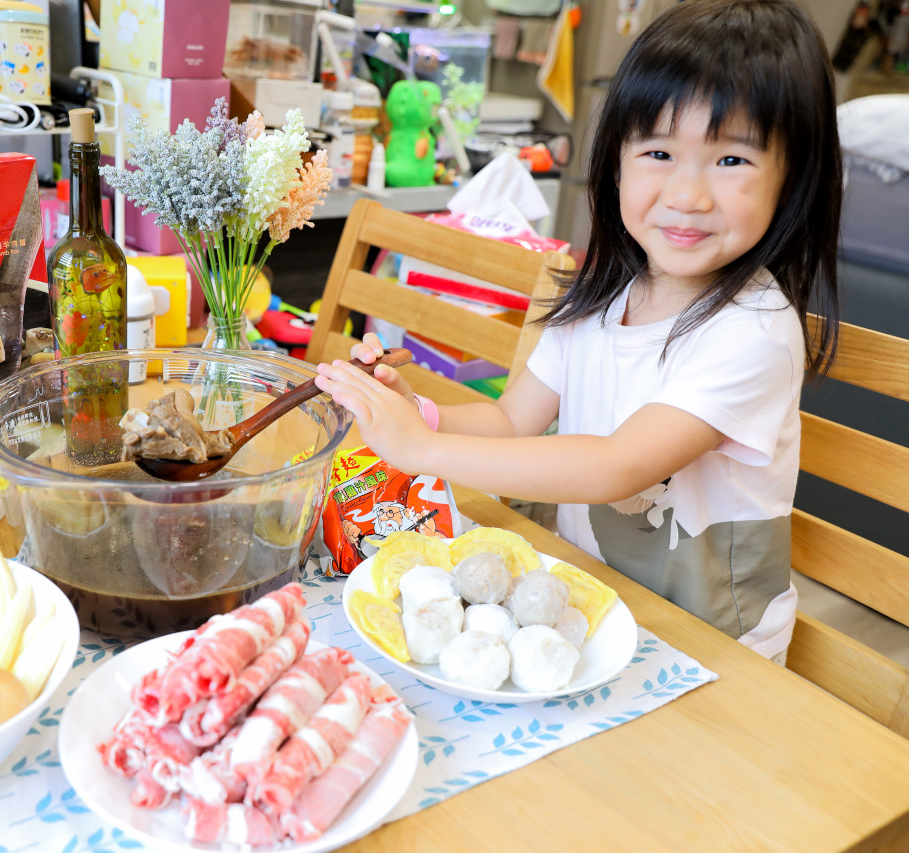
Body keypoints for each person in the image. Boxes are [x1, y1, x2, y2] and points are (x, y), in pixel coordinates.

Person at [314, 0, 842, 663]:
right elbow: (511, 421)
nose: (686, 194)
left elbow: (613, 467)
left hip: (707, 648)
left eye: (730, 160)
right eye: (657, 151)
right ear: (615, 162)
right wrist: (411, 412)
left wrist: (420, 449)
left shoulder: (754, 332)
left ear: (792, 177)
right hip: (587, 609)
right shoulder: (602, 293)